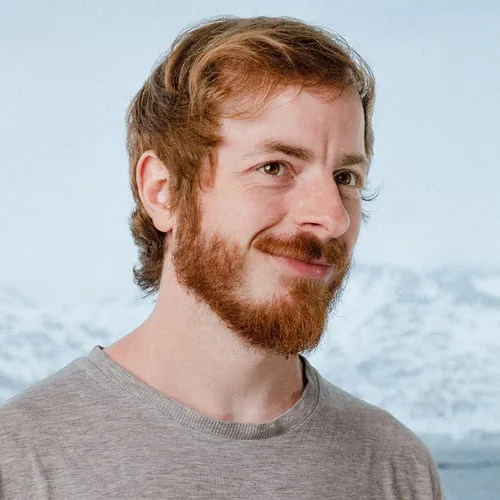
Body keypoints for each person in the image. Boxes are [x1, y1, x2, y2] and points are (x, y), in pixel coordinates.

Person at [0, 16, 444, 499]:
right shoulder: (20, 461)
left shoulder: (397, 469)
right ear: (163, 192)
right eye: (274, 167)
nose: (332, 218)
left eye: (345, 178)